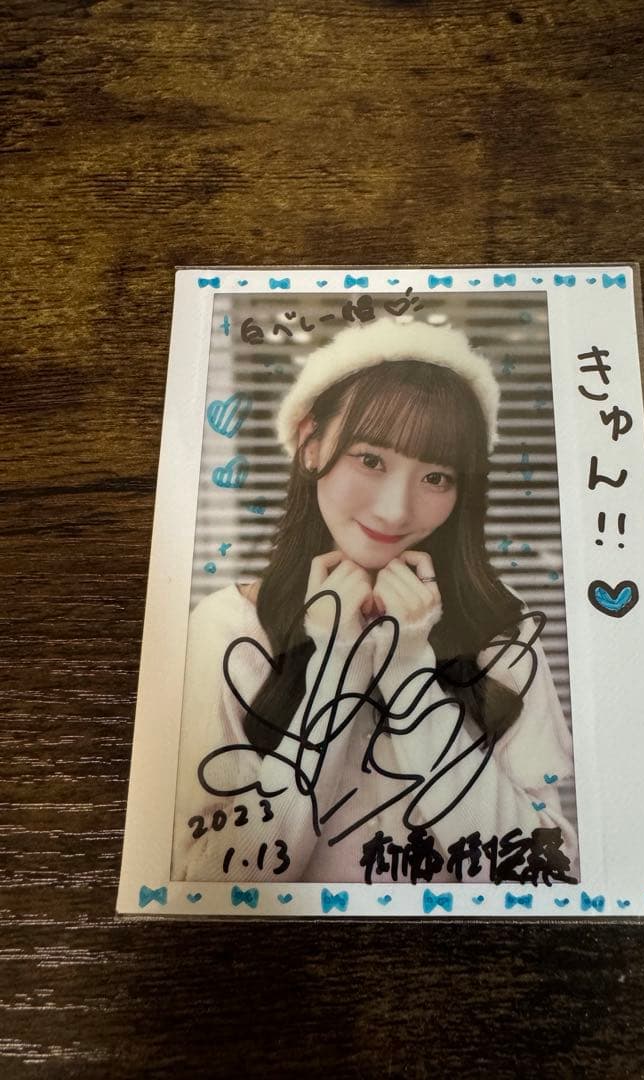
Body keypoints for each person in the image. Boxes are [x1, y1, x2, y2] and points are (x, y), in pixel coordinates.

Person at [172, 317, 577, 885]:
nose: (395, 510)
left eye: (436, 477)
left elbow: (543, 875)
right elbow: (218, 886)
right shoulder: (229, 629)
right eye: (370, 459)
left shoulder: (497, 622)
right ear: (311, 443)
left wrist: (408, 665)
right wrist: (336, 662)